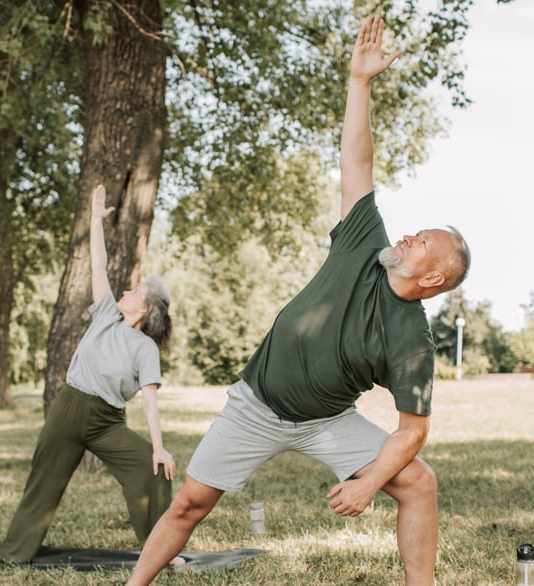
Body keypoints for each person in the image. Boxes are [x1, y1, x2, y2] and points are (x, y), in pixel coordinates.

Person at [125, 15, 470, 586]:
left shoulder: (412, 339)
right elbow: (356, 163)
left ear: (433, 278)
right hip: (256, 404)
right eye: (416, 231)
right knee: (189, 503)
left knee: (419, 483)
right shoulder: (365, 241)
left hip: (326, 421)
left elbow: (412, 431)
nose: (410, 236)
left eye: (423, 242)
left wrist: (368, 482)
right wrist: (359, 82)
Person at [0, 183, 176, 564]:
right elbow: (98, 265)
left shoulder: (145, 349)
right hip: (69, 409)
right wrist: (95, 219)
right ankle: (12, 552)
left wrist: (158, 446)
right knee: (44, 480)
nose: (126, 290)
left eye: (134, 291)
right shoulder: (105, 315)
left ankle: (161, 552)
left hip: (107, 422)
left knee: (152, 468)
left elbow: (149, 402)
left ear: (144, 310)